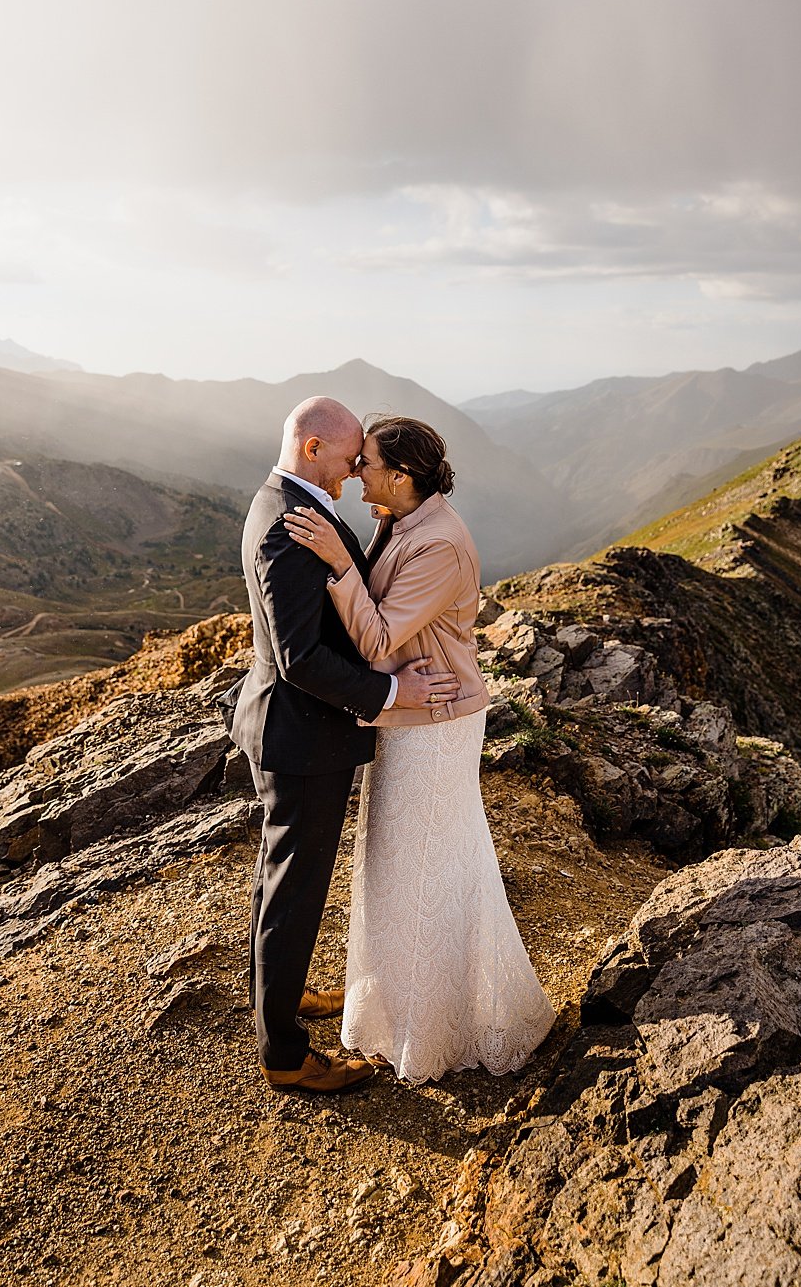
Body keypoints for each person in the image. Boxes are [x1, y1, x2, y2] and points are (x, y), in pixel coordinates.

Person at [284, 415, 557, 1082]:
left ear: (401, 477)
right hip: (409, 717)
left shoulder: (439, 545)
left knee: (428, 873)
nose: (355, 472)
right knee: (401, 871)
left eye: (367, 463)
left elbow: (378, 639)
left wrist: (338, 563)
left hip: (435, 726)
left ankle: (432, 1033)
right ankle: (400, 1014)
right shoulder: (400, 521)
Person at [228, 397, 462, 1094]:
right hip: (301, 737)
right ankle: (286, 1054)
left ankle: (279, 994)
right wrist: (391, 694)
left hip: (296, 731)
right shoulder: (285, 525)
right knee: (296, 888)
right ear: (311, 451)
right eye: (350, 455)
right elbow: (301, 657)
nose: (357, 467)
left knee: (283, 880)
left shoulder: (287, 504)